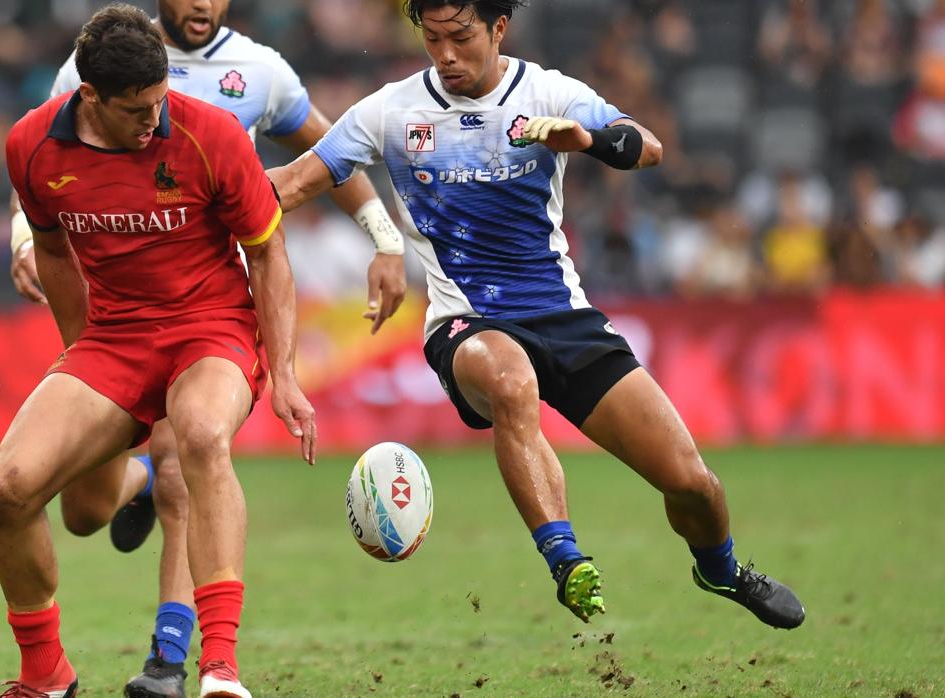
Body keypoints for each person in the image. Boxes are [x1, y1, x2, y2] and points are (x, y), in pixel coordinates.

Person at [269, 0, 805, 630]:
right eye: (432, 39)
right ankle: (565, 558)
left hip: (561, 316)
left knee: (693, 484)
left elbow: (649, 147)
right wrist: (208, 202)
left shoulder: (549, 92)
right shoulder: (390, 111)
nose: (445, 56)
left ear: (498, 29)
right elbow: (294, 183)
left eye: (461, 38)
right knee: (508, 378)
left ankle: (720, 570)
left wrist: (585, 139)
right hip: (464, 321)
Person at [5, 3, 408, 695]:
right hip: (117, 334)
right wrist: (79, 354)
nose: (156, 120)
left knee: (188, 448)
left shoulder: (246, 86)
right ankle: (49, 675)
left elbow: (325, 156)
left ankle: (197, 663)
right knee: (57, 504)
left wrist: (385, 236)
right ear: (94, 98)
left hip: (208, 322)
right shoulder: (59, 107)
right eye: (139, 111)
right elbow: (51, 217)